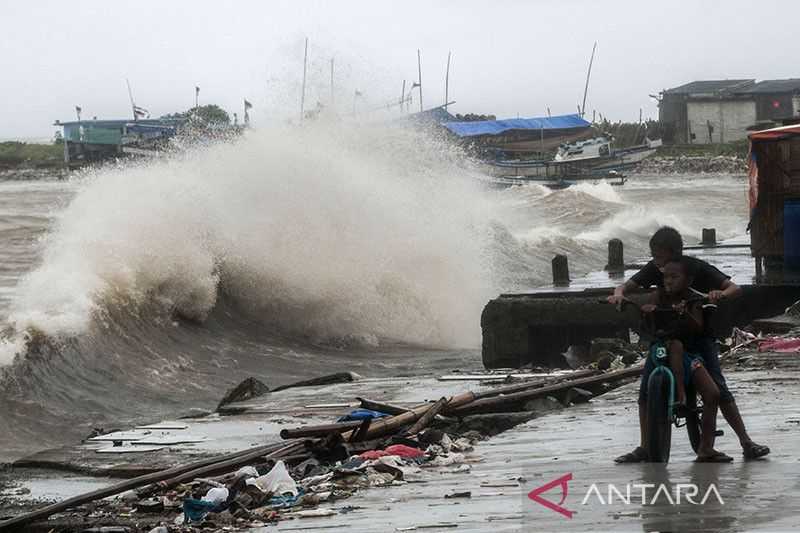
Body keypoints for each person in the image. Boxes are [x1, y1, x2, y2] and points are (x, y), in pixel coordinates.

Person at [610, 226, 770, 462]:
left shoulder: (694, 268)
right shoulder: (656, 270)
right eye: (654, 258)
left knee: (718, 388)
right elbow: (626, 287)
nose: (659, 267)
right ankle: (645, 446)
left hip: (698, 338)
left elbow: (733, 288)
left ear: (675, 253)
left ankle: (746, 442)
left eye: (660, 257)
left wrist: (718, 295)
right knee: (645, 392)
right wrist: (619, 294)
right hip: (667, 337)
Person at [640, 257, 729, 461]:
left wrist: (685, 314)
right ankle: (648, 441)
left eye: (674, 277)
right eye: (665, 277)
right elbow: (646, 327)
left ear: (688, 280)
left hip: (689, 356)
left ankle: (706, 447)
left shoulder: (692, 299)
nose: (668, 281)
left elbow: (697, 326)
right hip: (660, 350)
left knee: (713, 393)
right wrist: (646, 312)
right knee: (644, 394)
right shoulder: (657, 296)